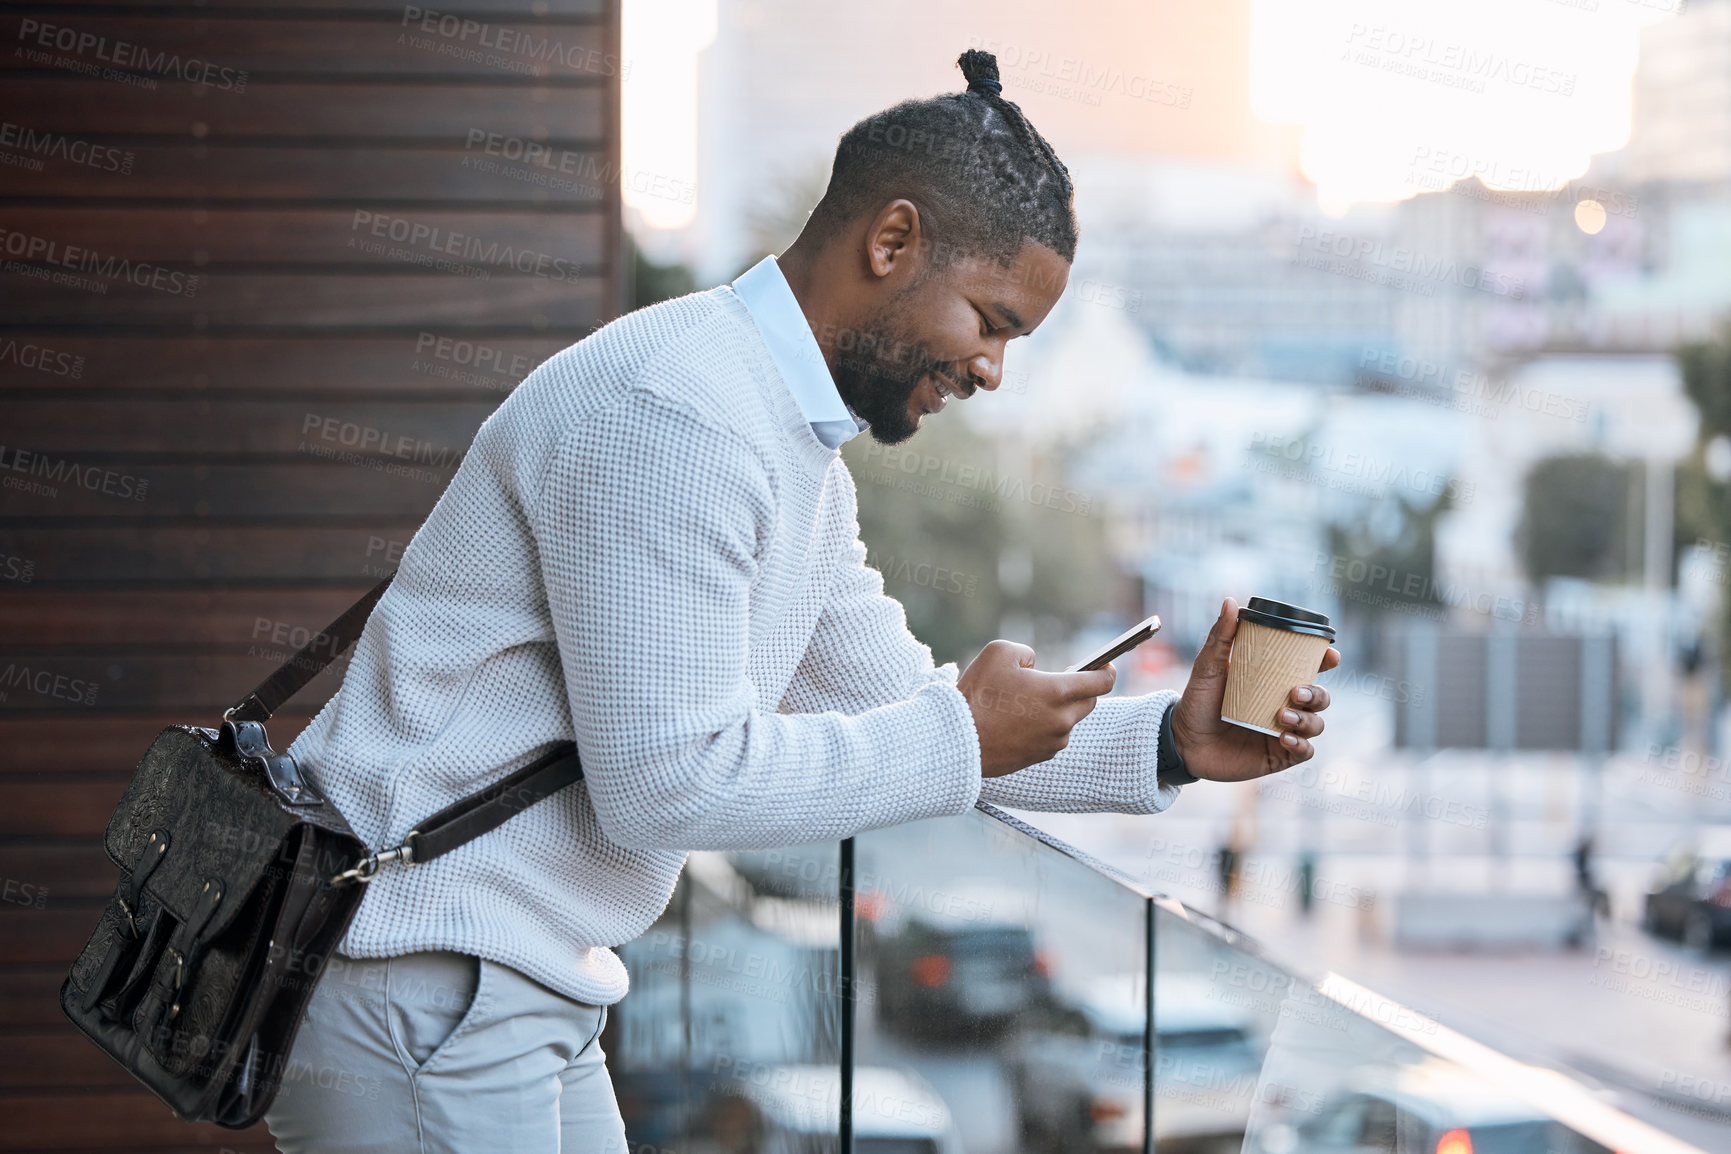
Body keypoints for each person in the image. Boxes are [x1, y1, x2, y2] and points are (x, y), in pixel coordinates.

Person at [262, 49, 1339, 1153]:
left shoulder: (785, 447)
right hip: (425, 980)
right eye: (992, 319)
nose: (993, 369)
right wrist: (960, 732)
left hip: (509, 982)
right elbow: (668, 780)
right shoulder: (681, 415)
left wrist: (1169, 739)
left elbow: (912, 707)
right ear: (892, 242)